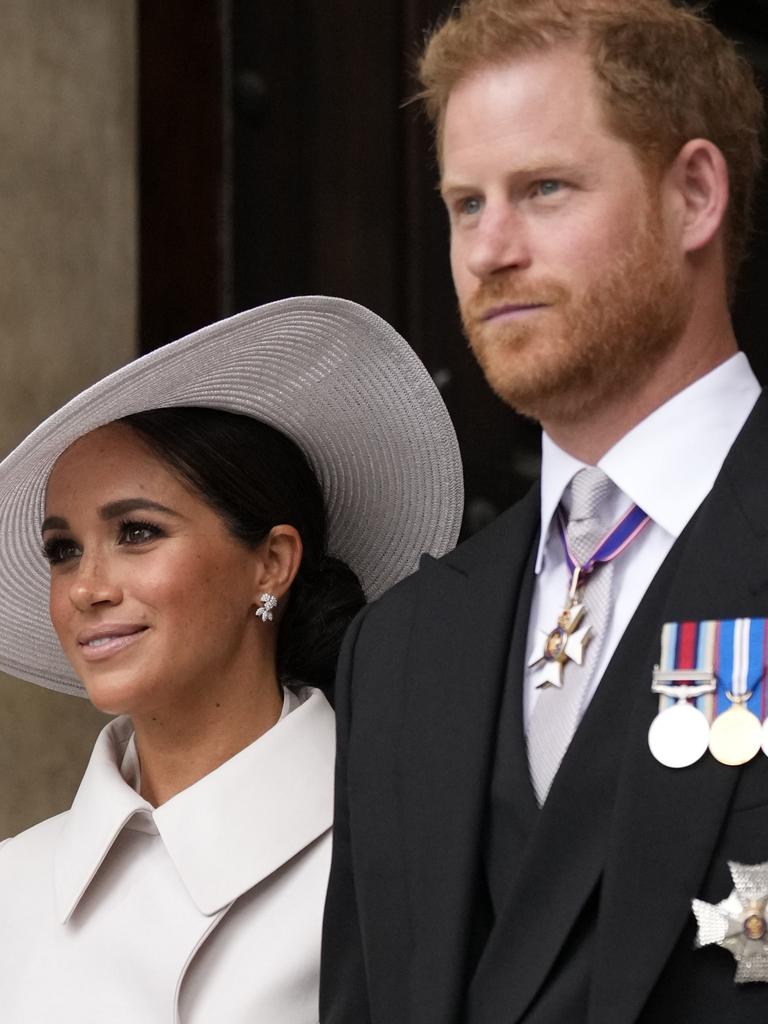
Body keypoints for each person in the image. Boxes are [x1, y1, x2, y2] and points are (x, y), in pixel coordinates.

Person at [320, 2, 768, 1021]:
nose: (489, 251)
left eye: (543, 190)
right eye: (465, 204)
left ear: (694, 194)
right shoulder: (396, 651)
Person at [0, 295, 463, 1022]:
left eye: (138, 533)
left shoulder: (415, 863)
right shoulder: (14, 890)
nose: (86, 588)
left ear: (271, 563)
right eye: (64, 550)